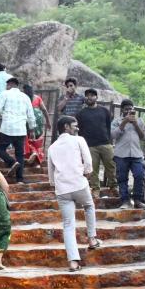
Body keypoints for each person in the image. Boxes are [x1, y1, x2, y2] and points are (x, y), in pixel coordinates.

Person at [48, 116, 102, 272]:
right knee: (89, 206)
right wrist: (87, 173)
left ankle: (73, 262)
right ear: (66, 127)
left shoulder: (52, 147)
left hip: (62, 189)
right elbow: (88, 162)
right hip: (79, 184)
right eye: (75, 125)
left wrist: (54, 183)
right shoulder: (79, 140)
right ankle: (92, 239)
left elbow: (51, 172)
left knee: (68, 225)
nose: (77, 128)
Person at [0, 77, 33, 184]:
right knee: (20, 154)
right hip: (21, 130)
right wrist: (32, 128)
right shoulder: (25, 97)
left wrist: (0, 115)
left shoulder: (4, 94)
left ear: (10, 84)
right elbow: (30, 115)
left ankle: (11, 162)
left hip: (7, 128)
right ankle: (20, 179)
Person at [112, 99, 145, 209]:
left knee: (140, 175)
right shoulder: (116, 121)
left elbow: (143, 137)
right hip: (121, 154)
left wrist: (136, 124)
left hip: (136, 154)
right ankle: (125, 201)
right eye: (126, 109)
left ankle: (138, 200)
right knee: (122, 178)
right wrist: (124, 122)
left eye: (131, 109)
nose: (129, 111)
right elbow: (113, 135)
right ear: (122, 110)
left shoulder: (139, 121)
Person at [77, 89, 116, 190]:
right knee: (93, 170)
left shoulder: (104, 111)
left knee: (111, 167)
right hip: (90, 146)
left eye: (92, 95)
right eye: (87, 95)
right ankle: (95, 189)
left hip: (105, 143)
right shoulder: (81, 113)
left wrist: (108, 140)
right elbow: (80, 130)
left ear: (96, 97)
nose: (89, 97)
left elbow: (108, 126)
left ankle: (114, 187)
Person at [23, 83, 48, 167]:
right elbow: (44, 110)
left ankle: (31, 155)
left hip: (27, 122)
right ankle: (37, 163)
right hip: (39, 123)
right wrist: (48, 122)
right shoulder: (37, 98)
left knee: (27, 141)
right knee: (37, 142)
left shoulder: (23, 99)